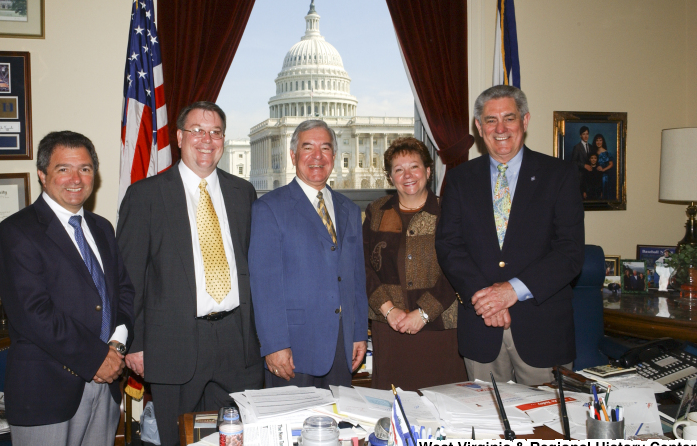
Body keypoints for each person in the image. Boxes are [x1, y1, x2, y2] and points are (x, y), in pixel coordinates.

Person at [117, 101, 263, 446]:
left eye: (215, 132)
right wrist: (134, 343)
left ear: (224, 141)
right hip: (173, 343)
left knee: (239, 443)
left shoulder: (242, 193)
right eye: (197, 130)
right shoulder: (146, 195)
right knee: (175, 444)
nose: (206, 139)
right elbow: (128, 278)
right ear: (180, 137)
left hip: (237, 343)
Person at [0, 131, 135, 446]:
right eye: (63, 169)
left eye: (84, 169)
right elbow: (33, 314)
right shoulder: (15, 233)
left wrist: (116, 344)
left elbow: (122, 292)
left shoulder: (102, 228)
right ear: (42, 175)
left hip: (106, 382)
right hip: (47, 390)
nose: (75, 179)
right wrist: (97, 358)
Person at [436, 85, 585, 386]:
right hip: (481, 328)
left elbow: (569, 252)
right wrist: (487, 299)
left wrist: (511, 291)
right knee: (486, 425)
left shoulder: (560, 175)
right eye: (491, 120)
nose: (500, 128)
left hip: (543, 332)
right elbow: (449, 245)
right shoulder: (459, 179)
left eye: (509, 118)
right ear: (479, 127)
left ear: (525, 121)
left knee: (550, 429)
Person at [249, 119, 368, 389]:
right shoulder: (269, 208)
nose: (318, 157)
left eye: (325, 148)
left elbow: (355, 277)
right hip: (292, 349)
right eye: (308, 148)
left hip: (341, 344)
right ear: (293, 155)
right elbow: (264, 284)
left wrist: (359, 332)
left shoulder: (348, 209)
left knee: (340, 426)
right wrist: (274, 344)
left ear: (334, 157)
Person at [364, 137, 466, 391]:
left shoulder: (450, 210)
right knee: (393, 412)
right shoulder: (376, 211)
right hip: (390, 330)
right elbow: (362, 267)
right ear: (390, 177)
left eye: (414, 166)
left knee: (444, 412)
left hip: (440, 329)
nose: (407, 175)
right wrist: (389, 310)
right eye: (398, 169)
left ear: (428, 171)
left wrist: (423, 313)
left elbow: (460, 268)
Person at [592, 134, 615, 200]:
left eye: (600, 140)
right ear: (595, 141)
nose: (598, 142)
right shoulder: (593, 151)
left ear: (603, 141)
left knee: (603, 195)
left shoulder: (607, 152)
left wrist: (603, 169)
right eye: (597, 140)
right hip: (595, 176)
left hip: (603, 177)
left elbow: (611, 164)